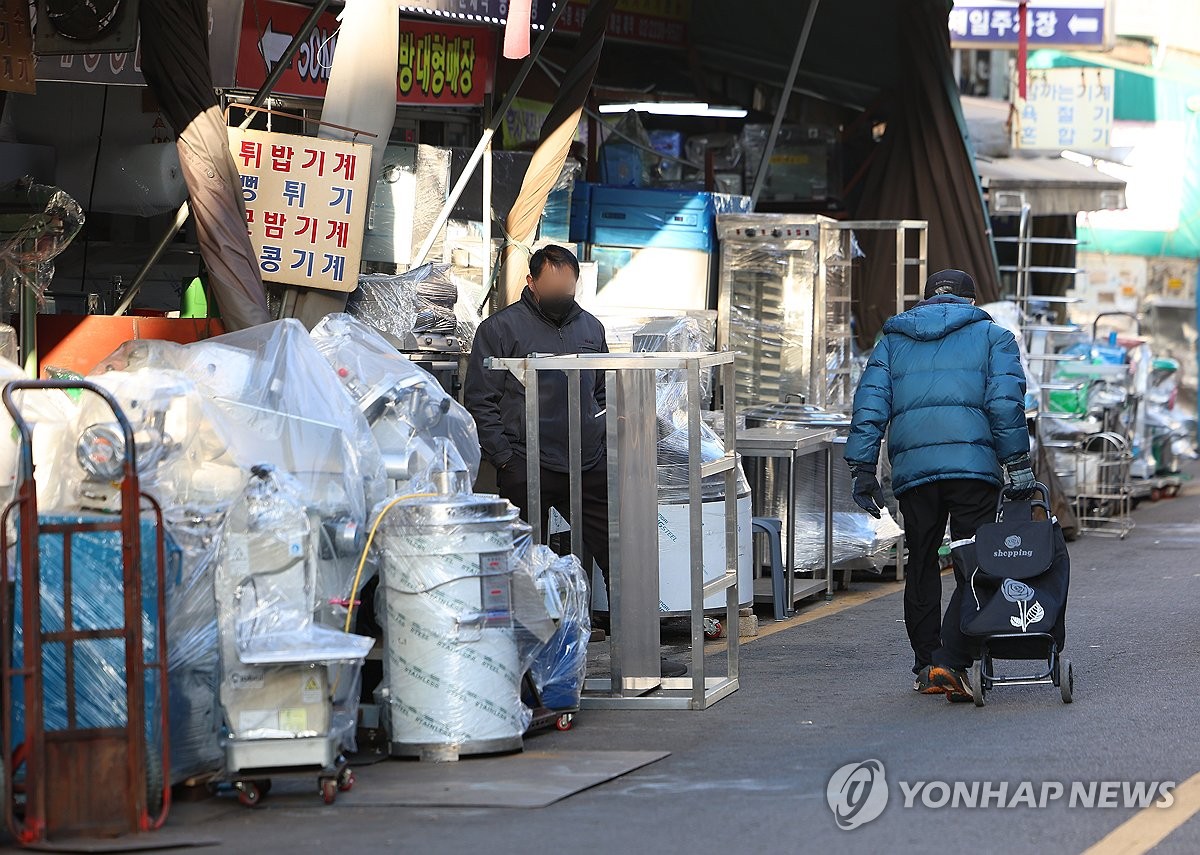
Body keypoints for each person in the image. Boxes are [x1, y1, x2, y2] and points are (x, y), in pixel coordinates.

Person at [465, 244, 686, 678]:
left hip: (586, 462)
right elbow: (479, 400)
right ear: (532, 283)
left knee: (619, 553)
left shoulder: (590, 327)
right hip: (525, 460)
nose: (562, 294)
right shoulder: (500, 329)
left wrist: (601, 439)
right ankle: (522, 665)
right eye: (553, 287)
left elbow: (599, 393)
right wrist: (506, 457)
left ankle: (639, 654)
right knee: (522, 561)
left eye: (568, 287)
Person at [844, 269, 1034, 702]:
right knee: (975, 563)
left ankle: (925, 663)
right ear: (971, 301)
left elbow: (869, 405)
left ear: (926, 300)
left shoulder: (892, 340)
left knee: (922, 562)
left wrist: (862, 469)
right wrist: (1017, 464)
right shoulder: (994, 338)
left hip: (915, 472)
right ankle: (950, 658)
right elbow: (1004, 404)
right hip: (973, 471)